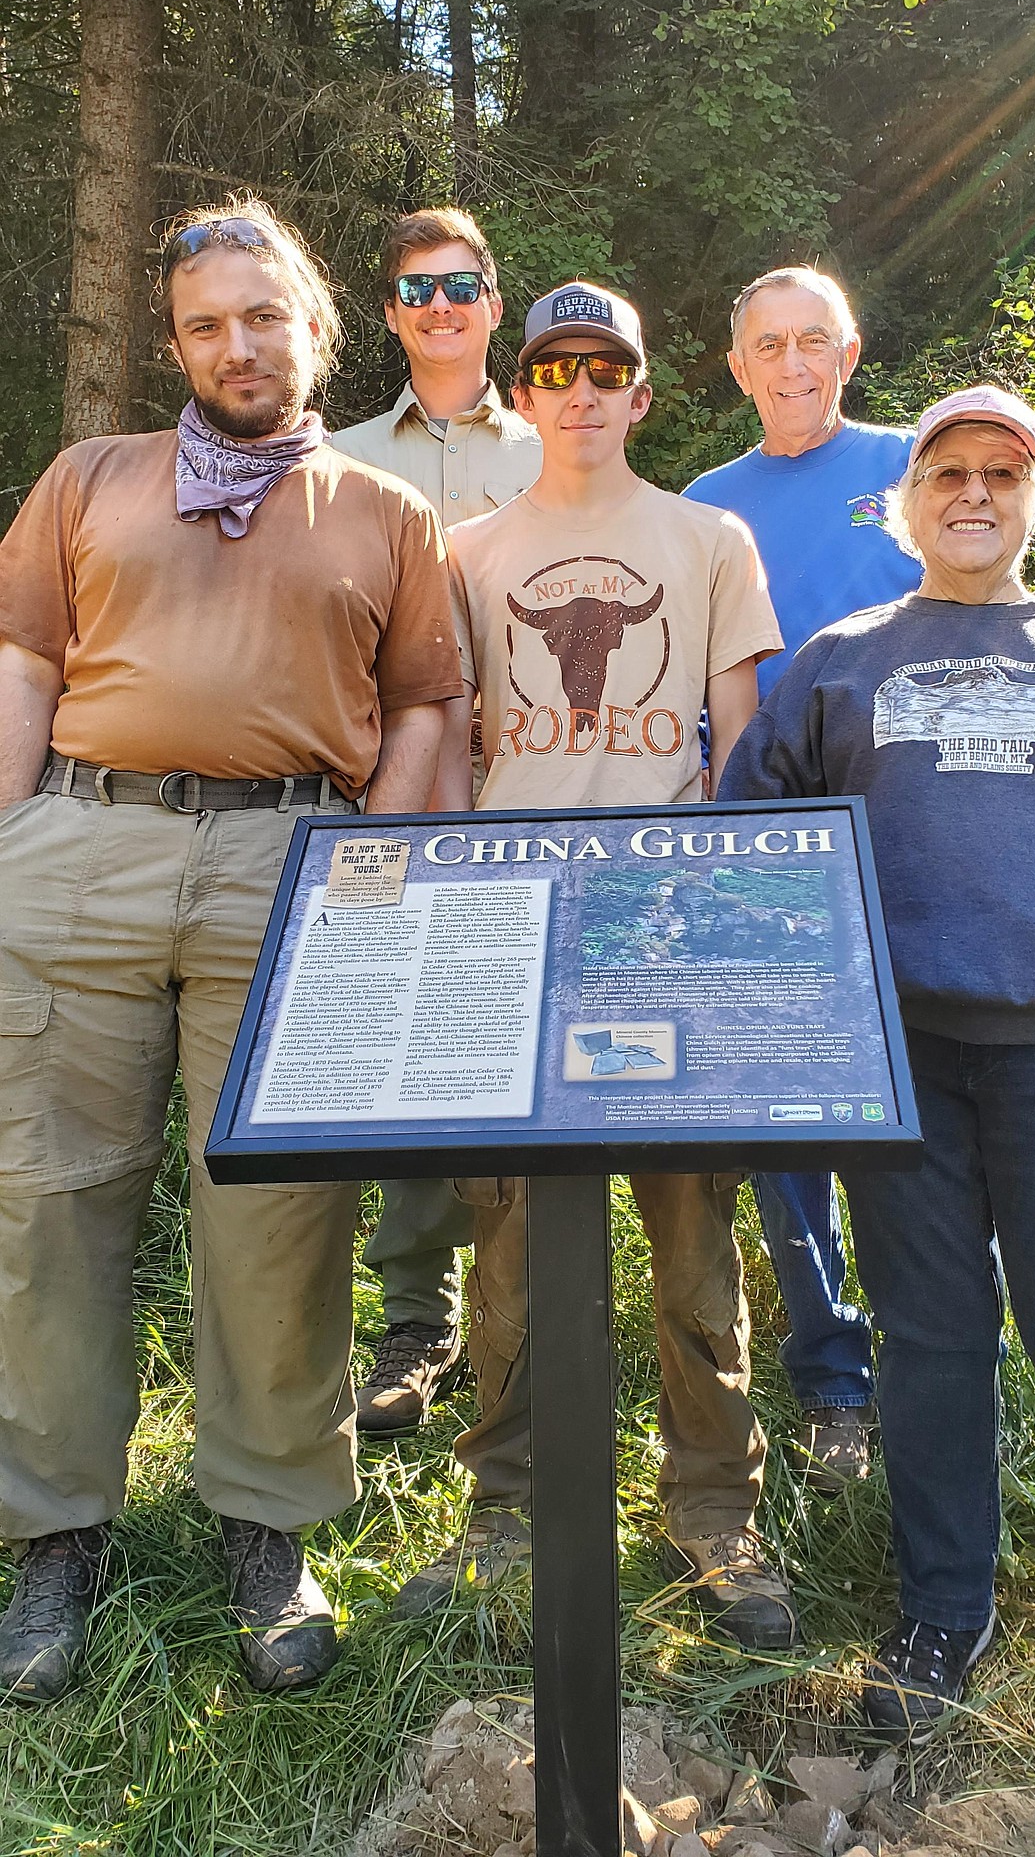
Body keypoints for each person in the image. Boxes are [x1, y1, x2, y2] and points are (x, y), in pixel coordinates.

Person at [0, 201, 462, 1702]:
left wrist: (375, 882)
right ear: (177, 343)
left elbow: (422, 714)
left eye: (262, 316)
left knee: (274, 1209)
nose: (237, 345)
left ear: (312, 326)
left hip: (289, 863)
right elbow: (22, 666)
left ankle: (268, 1521)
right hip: (85, 846)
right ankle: (56, 1533)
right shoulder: (89, 480)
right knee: (47, 1202)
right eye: (207, 323)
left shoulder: (386, 513)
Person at [721, 382, 1035, 1808]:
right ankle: (941, 1615)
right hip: (895, 1059)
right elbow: (749, 840)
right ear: (902, 502)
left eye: (1001, 471)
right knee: (927, 1341)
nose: (971, 493)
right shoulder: (838, 661)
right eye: (944, 472)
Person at [394, 280, 797, 1650]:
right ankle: (506, 1506)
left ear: (638, 394)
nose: (577, 391)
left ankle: (715, 1516)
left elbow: (737, 738)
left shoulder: (707, 538)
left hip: (664, 920)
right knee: (505, 1236)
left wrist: (723, 912)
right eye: (553, 369)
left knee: (690, 1238)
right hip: (514, 923)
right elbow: (444, 741)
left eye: (602, 369)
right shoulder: (465, 551)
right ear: (526, 393)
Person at [686, 266, 921, 1490]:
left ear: (850, 347)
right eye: (768, 344)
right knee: (791, 1121)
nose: (792, 363)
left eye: (813, 340)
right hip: (766, 844)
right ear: (737, 366)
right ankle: (834, 1382)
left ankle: (938, 1357)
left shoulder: (917, 468)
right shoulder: (705, 503)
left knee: (918, 1106)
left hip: (919, 832)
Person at [335, 208, 541, 1442]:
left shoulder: (564, 439)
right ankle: (415, 1321)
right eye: (418, 289)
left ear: (493, 300)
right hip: (385, 789)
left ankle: (531, 1309)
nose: (441, 304)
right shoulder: (342, 458)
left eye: (461, 284)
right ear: (394, 312)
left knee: (511, 1048)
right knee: (400, 1050)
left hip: (528, 792)